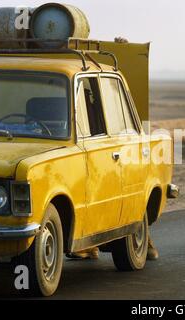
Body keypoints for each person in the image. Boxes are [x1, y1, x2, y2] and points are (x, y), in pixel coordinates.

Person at [67, 36, 159, 260]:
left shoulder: (89, 65)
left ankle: (137, 237)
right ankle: (93, 243)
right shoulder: (78, 62)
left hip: (105, 141)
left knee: (117, 189)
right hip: (89, 144)